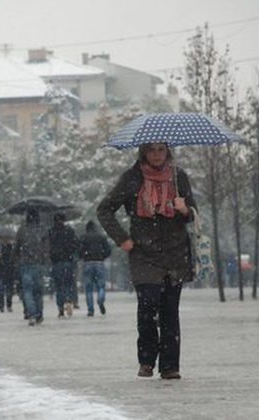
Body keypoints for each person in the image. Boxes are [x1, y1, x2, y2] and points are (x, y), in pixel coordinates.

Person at [97, 142, 196, 380]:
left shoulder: (178, 176)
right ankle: (147, 359)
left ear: (168, 152)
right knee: (148, 306)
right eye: (151, 150)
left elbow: (193, 213)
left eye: (161, 150)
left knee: (170, 311)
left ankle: (170, 365)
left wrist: (185, 209)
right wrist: (122, 239)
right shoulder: (132, 178)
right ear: (144, 152)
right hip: (143, 254)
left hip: (175, 253)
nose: (156, 155)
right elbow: (104, 210)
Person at [14, 209, 49, 326]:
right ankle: (39, 314)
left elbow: (16, 247)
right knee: (38, 291)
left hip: (25, 264)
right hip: (38, 263)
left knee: (27, 291)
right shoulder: (42, 230)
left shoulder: (22, 230)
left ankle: (31, 314)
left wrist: (16, 258)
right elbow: (46, 248)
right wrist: (44, 260)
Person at [47, 213, 79, 318]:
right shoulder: (69, 231)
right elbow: (76, 244)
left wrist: (52, 255)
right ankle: (69, 300)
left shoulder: (51, 232)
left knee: (59, 286)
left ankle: (60, 309)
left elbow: (48, 246)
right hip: (68, 261)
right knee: (69, 284)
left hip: (56, 262)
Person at [79, 221, 112, 317]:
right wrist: (102, 256)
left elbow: (79, 251)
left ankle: (90, 310)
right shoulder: (101, 237)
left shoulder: (83, 238)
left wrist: (84, 256)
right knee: (101, 286)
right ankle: (100, 300)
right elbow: (108, 250)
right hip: (99, 262)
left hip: (87, 263)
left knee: (88, 289)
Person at [0, 238, 16, 312]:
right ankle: (1, 305)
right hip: (0, 270)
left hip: (9, 270)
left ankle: (9, 304)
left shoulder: (11, 247)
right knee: (0, 289)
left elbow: (13, 258)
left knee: (9, 289)